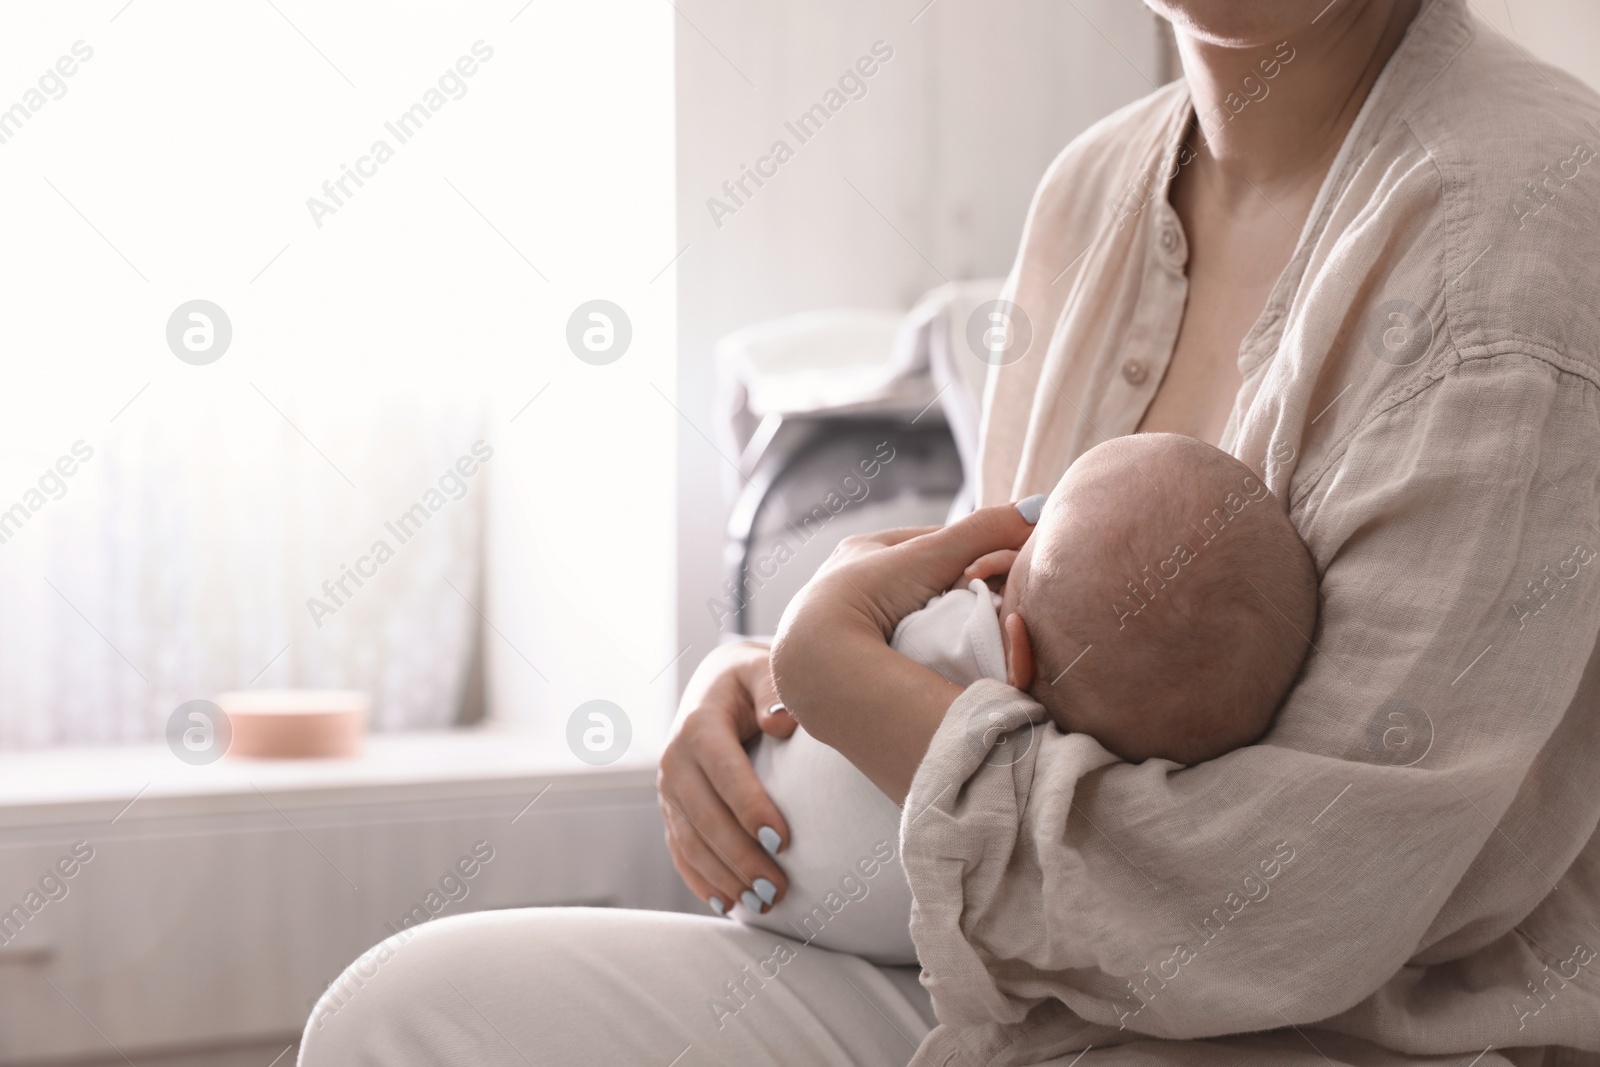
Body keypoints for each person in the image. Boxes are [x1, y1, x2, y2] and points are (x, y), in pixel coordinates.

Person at [298, 0, 1600, 1063]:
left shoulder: (1531, 222)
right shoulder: (1089, 193)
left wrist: (852, 686)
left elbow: (1295, 913)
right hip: (1030, 987)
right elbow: (1021, 631)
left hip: (1340, 1028)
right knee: (406, 1014)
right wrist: (771, 671)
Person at [733, 434, 1317, 965]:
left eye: (1030, 544)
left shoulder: (949, 633)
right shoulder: (1107, 787)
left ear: (1016, 651)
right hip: (887, 944)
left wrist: (939, 581)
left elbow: (823, 640)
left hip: (762, 857)